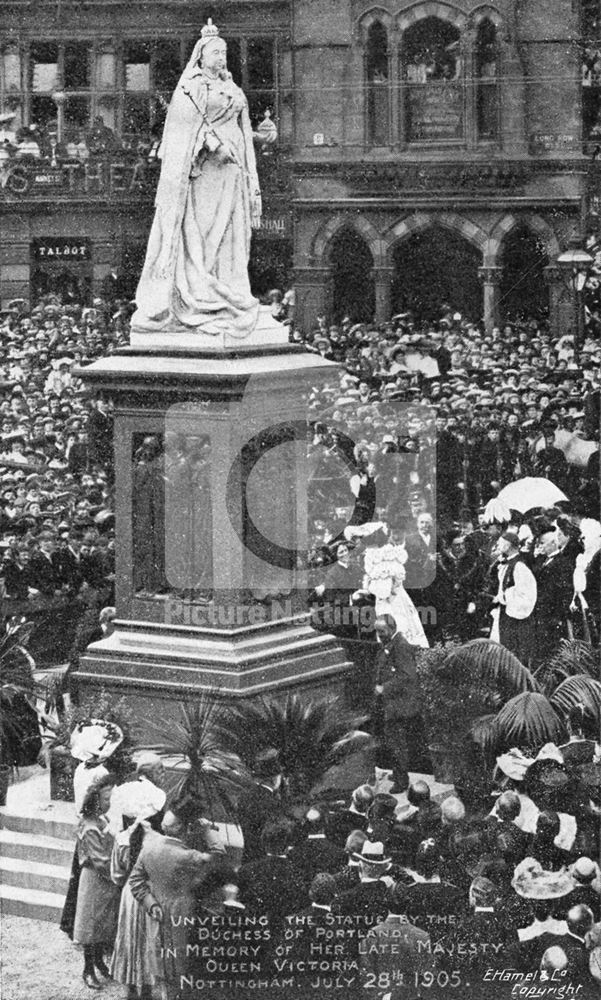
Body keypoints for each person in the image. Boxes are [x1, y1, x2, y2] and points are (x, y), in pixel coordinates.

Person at [132, 20, 261, 337]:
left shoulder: (233, 88)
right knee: (202, 231)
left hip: (232, 171)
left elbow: (244, 131)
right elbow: (182, 129)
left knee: (231, 232)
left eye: (224, 52)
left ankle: (226, 288)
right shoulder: (190, 87)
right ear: (201, 56)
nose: (221, 57)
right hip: (203, 171)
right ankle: (200, 287)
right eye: (216, 52)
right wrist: (212, 145)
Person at [128, 804, 214, 1000]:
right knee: (184, 963)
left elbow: (135, 881)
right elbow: (218, 855)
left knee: (163, 964)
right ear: (183, 827)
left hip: (157, 912)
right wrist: (207, 831)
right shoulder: (189, 856)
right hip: (184, 913)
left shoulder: (149, 848)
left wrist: (151, 903)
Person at [110, 774, 167, 1000]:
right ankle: (147, 989)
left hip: (130, 894)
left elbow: (116, 874)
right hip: (152, 893)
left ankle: (131, 987)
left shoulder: (123, 839)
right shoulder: (159, 840)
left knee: (129, 938)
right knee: (149, 941)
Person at [72, 773, 120, 990]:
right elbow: (99, 860)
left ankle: (100, 961)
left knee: (103, 922)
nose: (109, 804)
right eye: (106, 800)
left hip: (105, 879)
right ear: (95, 801)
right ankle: (88, 969)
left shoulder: (102, 820)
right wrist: (118, 873)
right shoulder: (90, 826)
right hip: (95, 879)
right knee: (91, 925)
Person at [372, 614, 426, 791]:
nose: (380, 635)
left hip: (399, 705)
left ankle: (401, 781)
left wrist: (384, 688)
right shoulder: (390, 645)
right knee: (393, 740)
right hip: (392, 704)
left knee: (397, 743)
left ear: (392, 629)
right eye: (378, 632)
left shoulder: (400, 647)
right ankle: (397, 772)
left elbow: (407, 676)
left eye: (383, 631)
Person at [489, 531, 537, 664]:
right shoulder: (506, 563)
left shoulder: (519, 566)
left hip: (514, 615)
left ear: (508, 545)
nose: (498, 545)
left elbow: (526, 593)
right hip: (505, 612)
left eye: (500, 543)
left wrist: (504, 596)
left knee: (513, 649)